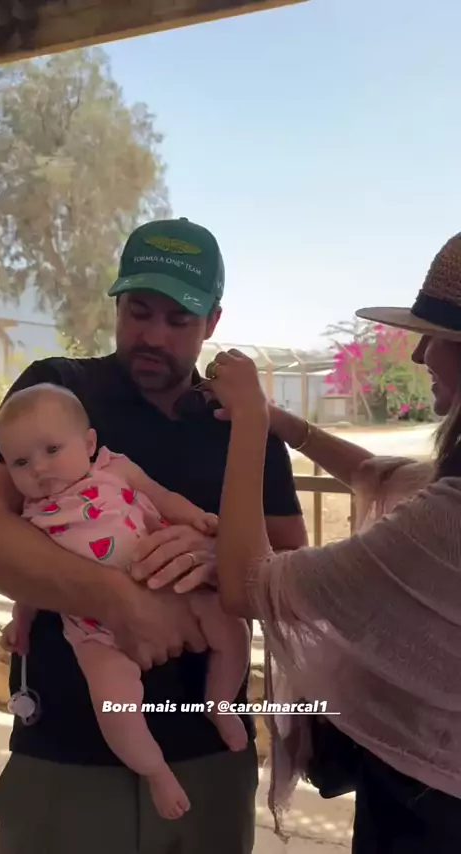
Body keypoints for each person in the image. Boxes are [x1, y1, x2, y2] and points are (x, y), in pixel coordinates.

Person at [0, 216, 307, 854]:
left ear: (212, 322)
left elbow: (294, 569)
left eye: (179, 319)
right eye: (138, 312)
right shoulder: (57, 393)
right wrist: (120, 600)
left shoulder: (242, 425)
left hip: (208, 757)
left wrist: (221, 554)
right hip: (63, 751)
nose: (154, 336)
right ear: (117, 304)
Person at [207, 230, 461, 853]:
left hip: (429, 812)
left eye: (436, 337)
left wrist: (250, 425)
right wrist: (287, 425)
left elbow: (248, 584)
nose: (419, 352)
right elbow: (382, 474)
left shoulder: (447, 519)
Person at [0, 382, 251, 821]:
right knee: (114, 706)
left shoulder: (114, 470)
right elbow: (31, 577)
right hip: (93, 630)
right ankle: (156, 772)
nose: (39, 468)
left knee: (232, 627)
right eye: (21, 462)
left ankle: (220, 701)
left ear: (88, 443)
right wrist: (21, 619)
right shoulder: (31, 517)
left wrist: (201, 522)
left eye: (52, 450)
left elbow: (163, 498)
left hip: (171, 586)